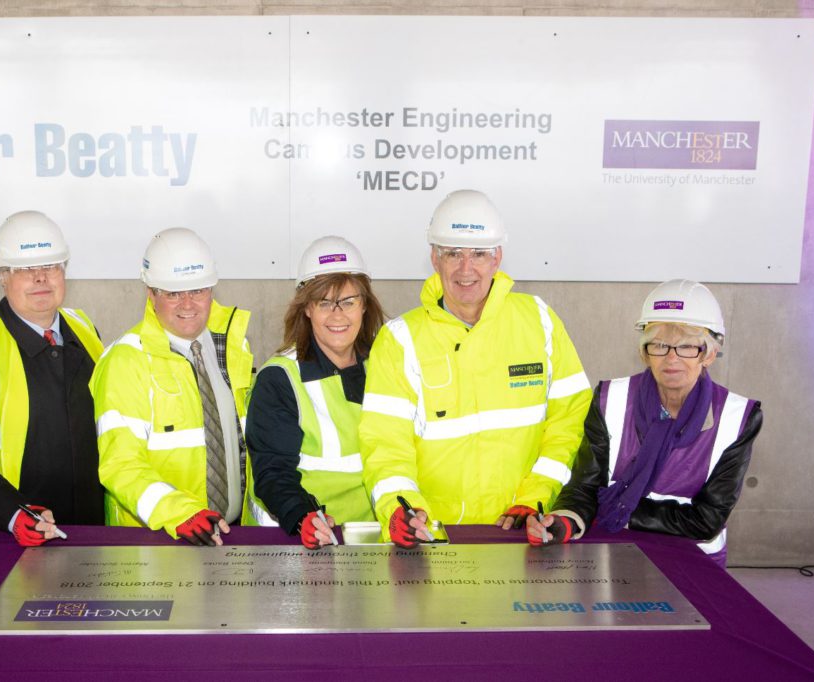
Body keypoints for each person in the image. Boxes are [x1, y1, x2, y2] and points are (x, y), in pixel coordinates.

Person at [359, 189, 591, 547]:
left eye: (479, 254)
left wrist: (535, 498)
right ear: (434, 258)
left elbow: (569, 423)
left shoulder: (539, 320)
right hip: (434, 538)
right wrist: (400, 510)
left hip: (523, 532)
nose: (466, 269)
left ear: (497, 258)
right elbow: (385, 445)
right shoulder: (400, 339)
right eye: (453, 253)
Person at [527, 279, 762, 568]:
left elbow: (706, 520)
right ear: (644, 351)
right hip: (612, 558)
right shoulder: (609, 398)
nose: (672, 358)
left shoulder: (738, 417)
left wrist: (616, 508)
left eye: (687, 346)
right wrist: (565, 522)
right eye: (660, 345)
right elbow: (584, 487)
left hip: (694, 563)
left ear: (710, 354)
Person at [0, 211, 105, 582]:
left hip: (82, 534)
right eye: (25, 269)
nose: (41, 278)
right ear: (1, 275)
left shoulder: (84, 329)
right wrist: (13, 513)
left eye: (51, 266)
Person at [91, 228, 253, 546]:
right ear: (151, 294)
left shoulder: (232, 346)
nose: (188, 304)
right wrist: (178, 513)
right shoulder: (126, 359)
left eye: (197, 290)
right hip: (160, 539)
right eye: (173, 293)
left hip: (233, 534)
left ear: (211, 289)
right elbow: (120, 464)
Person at [244, 237, 385, 548]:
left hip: (373, 541)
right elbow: (272, 470)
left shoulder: (387, 366)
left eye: (348, 301)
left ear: (364, 305)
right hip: (297, 544)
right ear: (306, 308)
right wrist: (302, 515)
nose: (338, 315)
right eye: (324, 302)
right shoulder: (280, 379)